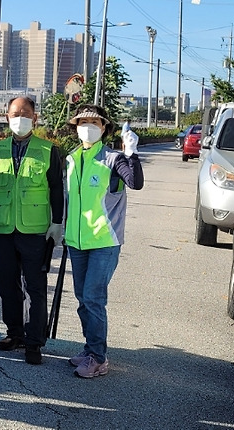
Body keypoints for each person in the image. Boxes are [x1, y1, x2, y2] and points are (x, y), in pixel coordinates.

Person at [0, 96, 64, 365]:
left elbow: (56, 189)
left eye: (25, 114)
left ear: (35, 118)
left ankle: (34, 342)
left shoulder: (48, 150)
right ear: (7, 117)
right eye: (14, 114)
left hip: (34, 229)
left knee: (36, 288)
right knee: (7, 284)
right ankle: (14, 333)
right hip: (4, 227)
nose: (19, 118)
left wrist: (57, 223)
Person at [64, 103, 143, 379]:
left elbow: (135, 182)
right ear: (75, 128)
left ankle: (98, 358)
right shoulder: (72, 159)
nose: (87, 127)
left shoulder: (114, 159)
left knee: (93, 298)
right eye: (82, 122)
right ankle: (89, 349)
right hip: (76, 241)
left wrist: (131, 153)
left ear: (104, 128)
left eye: (94, 123)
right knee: (82, 299)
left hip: (104, 241)